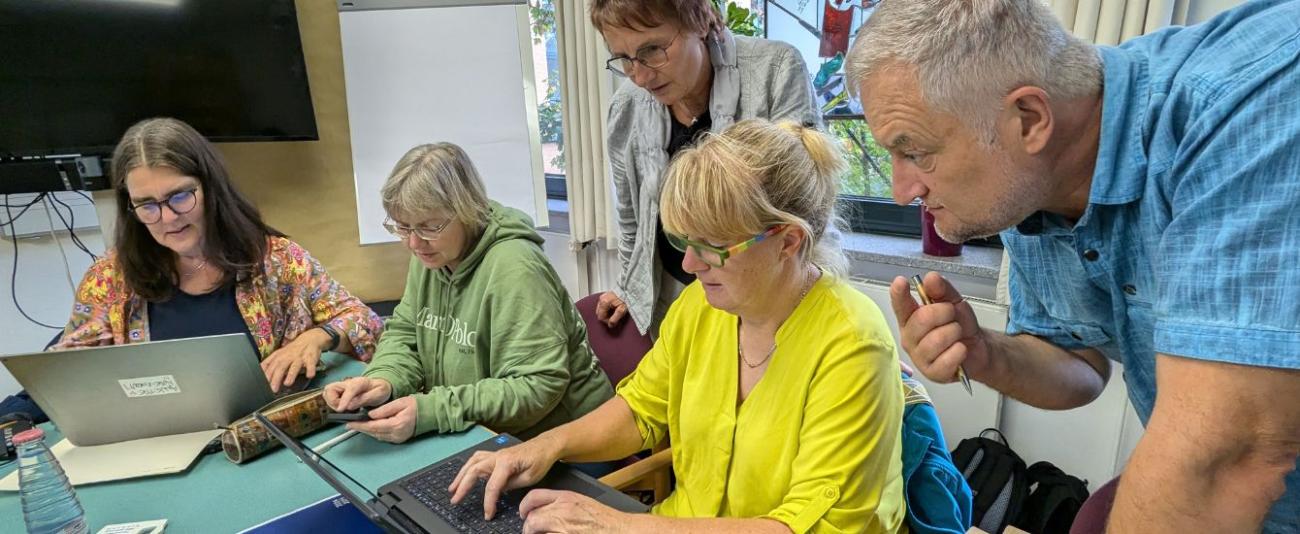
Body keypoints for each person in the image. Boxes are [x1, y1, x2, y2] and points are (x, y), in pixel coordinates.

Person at [844, 0, 1300, 532]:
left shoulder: (1244, 104)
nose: (903, 192)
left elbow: (1230, 458)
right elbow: (1082, 366)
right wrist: (988, 352)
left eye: (916, 151)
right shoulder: (1027, 184)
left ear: (1030, 119)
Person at [446, 120, 908, 533]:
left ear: (787, 241)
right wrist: (547, 446)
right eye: (681, 240)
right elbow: (641, 409)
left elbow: (800, 527)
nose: (689, 263)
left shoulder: (853, 342)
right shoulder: (700, 307)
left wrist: (619, 526)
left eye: (711, 246)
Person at [56, 117, 382, 394]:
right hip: (163, 438)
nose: (168, 218)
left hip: (266, 433)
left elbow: (365, 321)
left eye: (180, 196)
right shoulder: (110, 278)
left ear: (211, 188)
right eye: (147, 205)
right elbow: (70, 375)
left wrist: (317, 337)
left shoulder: (278, 259)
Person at [324, 143, 614, 445]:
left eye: (429, 226)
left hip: (570, 441)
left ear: (466, 210)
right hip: (487, 434)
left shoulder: (515, 267)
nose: (413, 243)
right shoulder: (431, 255)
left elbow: (537, 386)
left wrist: (432, 410)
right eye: (403, 227)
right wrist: (382, 380)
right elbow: (407, 334)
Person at [592, 0, 822, 337]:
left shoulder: (775, 70)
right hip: (672, 299)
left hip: (765, 299)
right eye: (625, 59)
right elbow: (632, 219)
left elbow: (807, 207)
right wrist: (630, 287)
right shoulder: (626, 107)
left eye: (653, 50)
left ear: (699, 21)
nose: (639, 76)